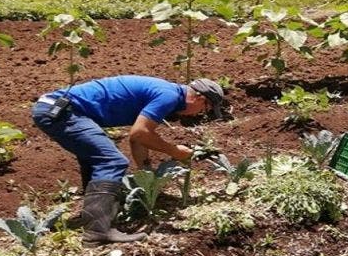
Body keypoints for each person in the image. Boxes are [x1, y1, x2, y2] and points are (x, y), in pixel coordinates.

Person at [32, 75, 226, 245]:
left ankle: (94, 217)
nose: (200, 113)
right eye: (205, 108)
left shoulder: (167, 93)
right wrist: (174, 151)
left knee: (94, 158)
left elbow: (137, 138)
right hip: (63, 112)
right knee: (112, 161)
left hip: (57, 108)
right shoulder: (169, 96)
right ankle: (97, 232)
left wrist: (147, 176)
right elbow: (140, 133)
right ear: (199, 97)